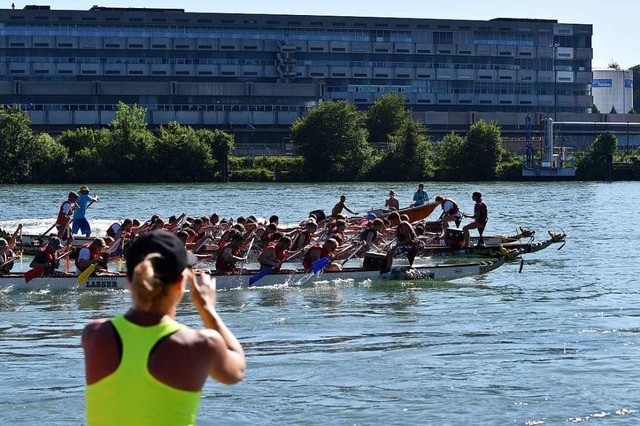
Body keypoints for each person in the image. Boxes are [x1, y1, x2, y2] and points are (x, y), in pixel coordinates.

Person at [82, 231, 245, 425]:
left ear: (128, 279)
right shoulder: (202, 344)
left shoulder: (94, 335)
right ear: (181, 283)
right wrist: (207, 309)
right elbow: (236, 371)